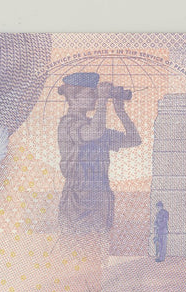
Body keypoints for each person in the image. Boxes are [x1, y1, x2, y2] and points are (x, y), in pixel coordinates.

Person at [56, 72, 141, 234]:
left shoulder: (94, 125)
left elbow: (134, 140)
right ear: (73, 97)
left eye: (96, 94)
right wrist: (102, 100)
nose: (95, 98)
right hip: (78, 199)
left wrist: (121, 112)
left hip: (101, 197)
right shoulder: (67, 124)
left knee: (100, 246)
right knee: (77, 245)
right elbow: (93, 133)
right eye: (91, 93)